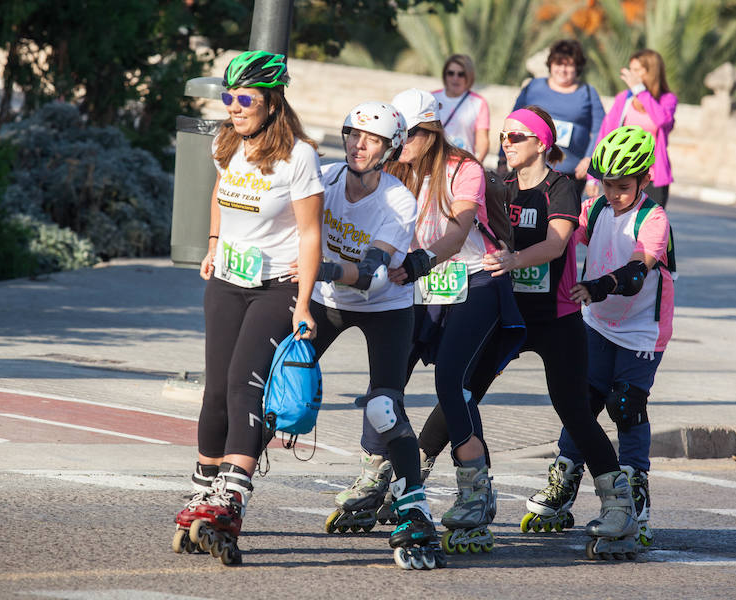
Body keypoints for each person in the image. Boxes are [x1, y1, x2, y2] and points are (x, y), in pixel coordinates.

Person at [172, 50, 324, 565]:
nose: (233, 107)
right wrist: (214, 241)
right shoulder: (226, 140)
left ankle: (231, 495)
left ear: (272, 102)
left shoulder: (298, 156)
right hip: (228, 281)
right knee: (214, 390)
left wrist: (303, 304)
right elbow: (219, 190)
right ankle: (203, 490)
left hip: (277, 287)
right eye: (228, 97)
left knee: (243, 382)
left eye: (245, 100)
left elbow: (310, 233)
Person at [482, 106, 640, 560]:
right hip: (508, 314)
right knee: (463, 390)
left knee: (573, 410)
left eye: (515, 136)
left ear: (540, 144)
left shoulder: (562, 188)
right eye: (503, 136)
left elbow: (555, 245)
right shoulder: (499, 186)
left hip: (557, 317)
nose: (506, 143)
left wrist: (513, 259)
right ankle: (403, 484)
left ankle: (619, 504)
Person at [378, 88, 525, 555]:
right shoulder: (392, 169)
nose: (404, 142)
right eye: (399, 134)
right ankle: (375, 474)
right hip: (421, 288)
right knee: (388, 380)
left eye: (414, 133)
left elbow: (460, 228)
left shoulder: (466, 169)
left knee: (450, 383)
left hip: (475, 281)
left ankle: (476, 491)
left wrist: (423, 260)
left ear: (433, 130)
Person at [308, 101, 445, 570]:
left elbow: (369, 276)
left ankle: (413, 508)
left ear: (390, 150)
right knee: (276, 388)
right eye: (352, 134)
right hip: (326, 303)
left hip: (384, 307)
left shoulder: (397, 200)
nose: (358, 145)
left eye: (371, 140)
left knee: (384, 406)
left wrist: (317, 268)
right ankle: (230, 484)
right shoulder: (324, 179)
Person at [527, 125, 675, 550]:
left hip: (643, 329)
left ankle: (634, 496)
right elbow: (556, 237)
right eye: (606, 184)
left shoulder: (654, 219)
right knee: (582, 403)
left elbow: (634, 273)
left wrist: (595, 287)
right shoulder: (593, 209)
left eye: (623, 186)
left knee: (625, 406)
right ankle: (564, 481)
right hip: (598, 323)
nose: (613, 193)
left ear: (645, 179)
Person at [497, 39, 605, 198]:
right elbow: (511, 122)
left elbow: (601, 129)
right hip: (527, 168)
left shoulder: (588, 92)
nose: (563, 69)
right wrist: (501, 158)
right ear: (550, 65)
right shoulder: (533, 87)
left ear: (577, 67)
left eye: (568, 65)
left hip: (570, 174)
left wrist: (590, 158)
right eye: (558, 64)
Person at [590, 49, 677, 208]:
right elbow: (606, 134)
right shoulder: (624, 98)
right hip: (621, 173)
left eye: (637, 70)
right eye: (631, 70)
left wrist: (640, 92)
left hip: (652, 176)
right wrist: (593, 177)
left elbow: (662, 121)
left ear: (651, 72)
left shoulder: (667, 100)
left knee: (648, 223)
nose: (632, 75)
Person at [432, 54, 490, 162]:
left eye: (461, 74)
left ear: (469, 76)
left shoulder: (479, 103)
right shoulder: (432, 98)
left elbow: (483, 140)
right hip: (435, 161)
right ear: (445, 75)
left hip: (464, 164)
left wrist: (477, 164)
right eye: (451, 73)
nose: (455, 78)